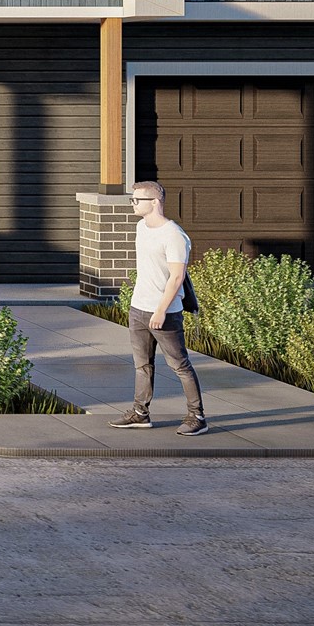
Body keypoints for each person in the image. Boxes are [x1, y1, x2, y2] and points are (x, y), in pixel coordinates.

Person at [108, 179, 210, 436]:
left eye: (137, 200)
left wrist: (161, 310)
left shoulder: (174, 235)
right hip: (138, 309)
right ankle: (140, 413)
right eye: (132, 199)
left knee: (179, 365)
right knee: (142, 365)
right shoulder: (141, 227)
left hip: (164, 313)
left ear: (154, 202)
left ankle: (197, 416)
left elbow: (177, 277)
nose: (132, 203)